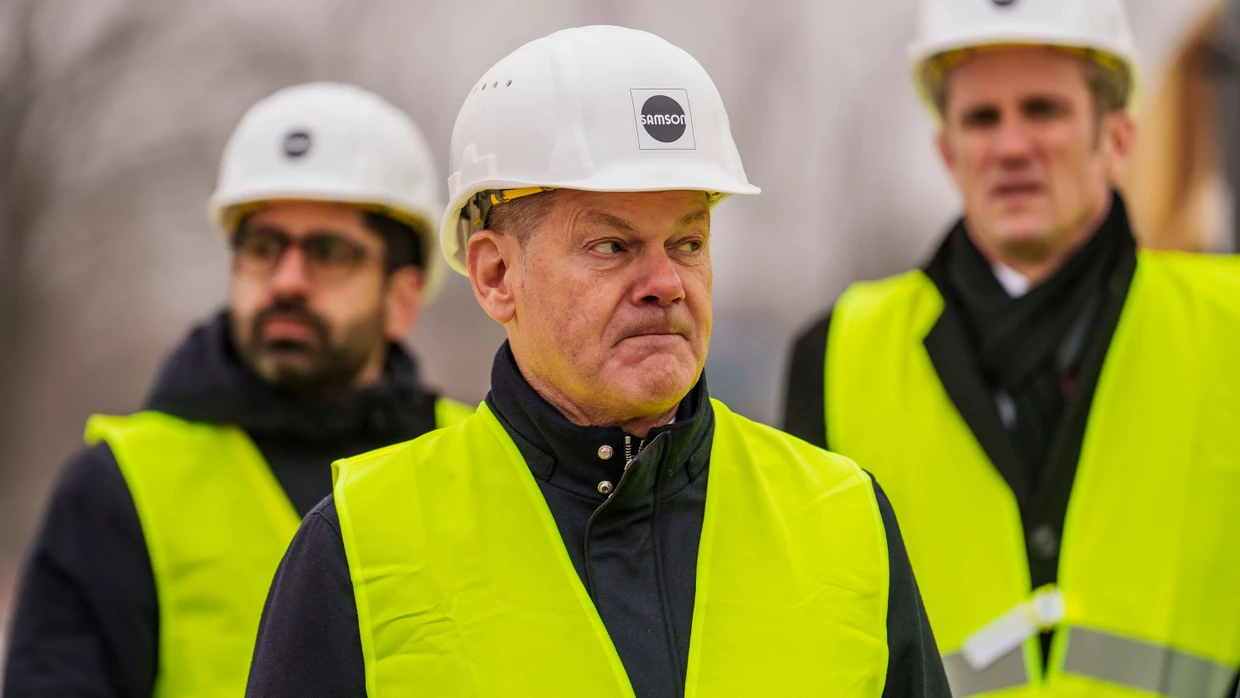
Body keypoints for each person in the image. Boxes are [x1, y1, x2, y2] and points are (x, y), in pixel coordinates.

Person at [245, 25, 950, 698]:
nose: (666, 283)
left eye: (688, 243)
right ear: (495, 275)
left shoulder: (843, 516)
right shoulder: (361, 546)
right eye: (611, 247)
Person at [784, 0, 1240, 695]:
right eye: (982, 118)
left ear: (1118, 139)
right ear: (948, 152)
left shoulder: (1227, 327)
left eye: (1043, 110)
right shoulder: (837, 354)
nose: (1011, 146)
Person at [3, 82, 473, 697]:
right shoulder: (117, 486)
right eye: (262, 247)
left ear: (402, 297)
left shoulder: (480, 464)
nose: (287, 280)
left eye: (329, 252)